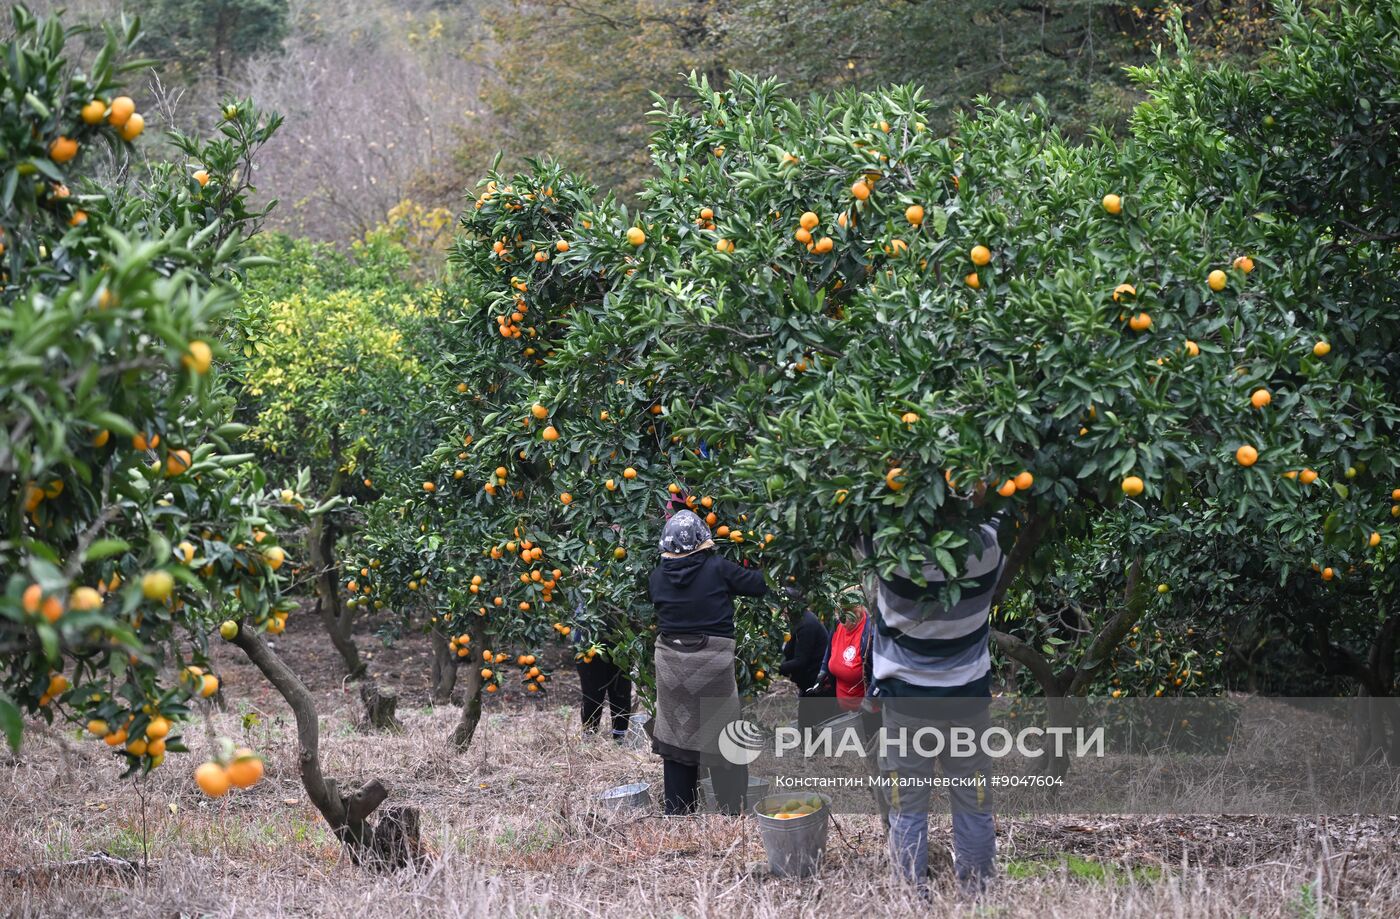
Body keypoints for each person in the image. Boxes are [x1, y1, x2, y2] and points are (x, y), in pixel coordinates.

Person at [862, 515, 1007, 895]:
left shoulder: (887, 551)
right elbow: (999, 513)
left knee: (906, 807)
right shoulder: (986, 549)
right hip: (967, 706)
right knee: (974, 802)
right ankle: (978, 895)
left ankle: (911, 896)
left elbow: (857, 523)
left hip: (906, 709)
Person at [647, 508, 768, 815]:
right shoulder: (717, 567)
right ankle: (731, 809)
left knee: (677, 738)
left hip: (672, 667)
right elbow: (758, 584)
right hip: (712, 665)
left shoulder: (657, 577)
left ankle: (679, 811)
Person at [573, 609, 632, 741]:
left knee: (621, 691)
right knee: (592, 694)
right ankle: (589, 737)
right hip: (589, 640)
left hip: (621, 637)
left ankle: (620, 737)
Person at [778, 589, 829, 731]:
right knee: (807, 727)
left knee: (810, 728)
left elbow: (801, 661)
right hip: (809, 683)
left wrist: (776, 667)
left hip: (816, 685)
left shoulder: (807, 624)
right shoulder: (800, 621)